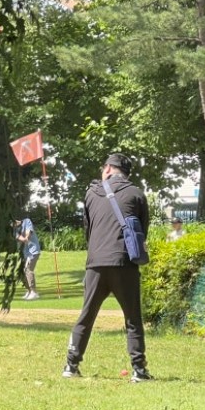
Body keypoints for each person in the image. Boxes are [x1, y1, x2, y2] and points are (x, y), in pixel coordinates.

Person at [63, 153, 152, 382]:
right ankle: (139, 370)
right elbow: (142, 231)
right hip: (124, 262)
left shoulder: (91, 193)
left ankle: (71, 366)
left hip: (96, 263)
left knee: (86, 315)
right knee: (132, 318)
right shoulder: (136, 194)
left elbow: (87, 230)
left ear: (108, 170)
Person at [14, 215, 41, 300]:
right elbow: (19, 237)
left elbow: (28, 232)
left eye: (14, 222)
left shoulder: (27, 221)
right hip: (25, 253)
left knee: (28, 269)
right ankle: (29, 291)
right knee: (22, 272)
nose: (14, 224)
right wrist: (24, 239)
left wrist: (27, 237)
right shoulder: (14, 230)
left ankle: (34, 292)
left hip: (33, 251)